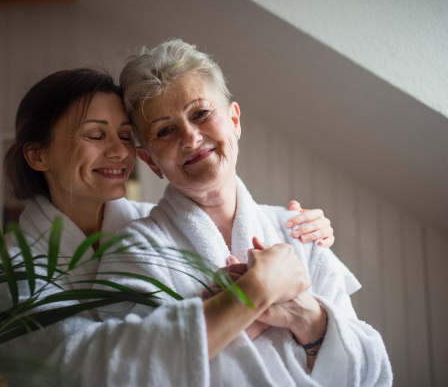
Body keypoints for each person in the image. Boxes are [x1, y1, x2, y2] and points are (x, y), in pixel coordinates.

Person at [0, 67, 337, 386]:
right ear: (38, 156)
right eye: (95, 135)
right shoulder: (9, 273)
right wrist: (256, 292)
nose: (120, 152)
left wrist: (301, 230)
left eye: (126, 137)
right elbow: (81, 367)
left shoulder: (154, 225)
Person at [95, 39, 392, 386]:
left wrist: (309, 317)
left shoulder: (297, 230)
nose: (190, 138)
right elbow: (126, 376)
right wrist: (259, 298)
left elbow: (372, 373)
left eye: (201, 113)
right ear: (149, 160)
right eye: (165, 130)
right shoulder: (133, 252)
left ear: (234, 120)